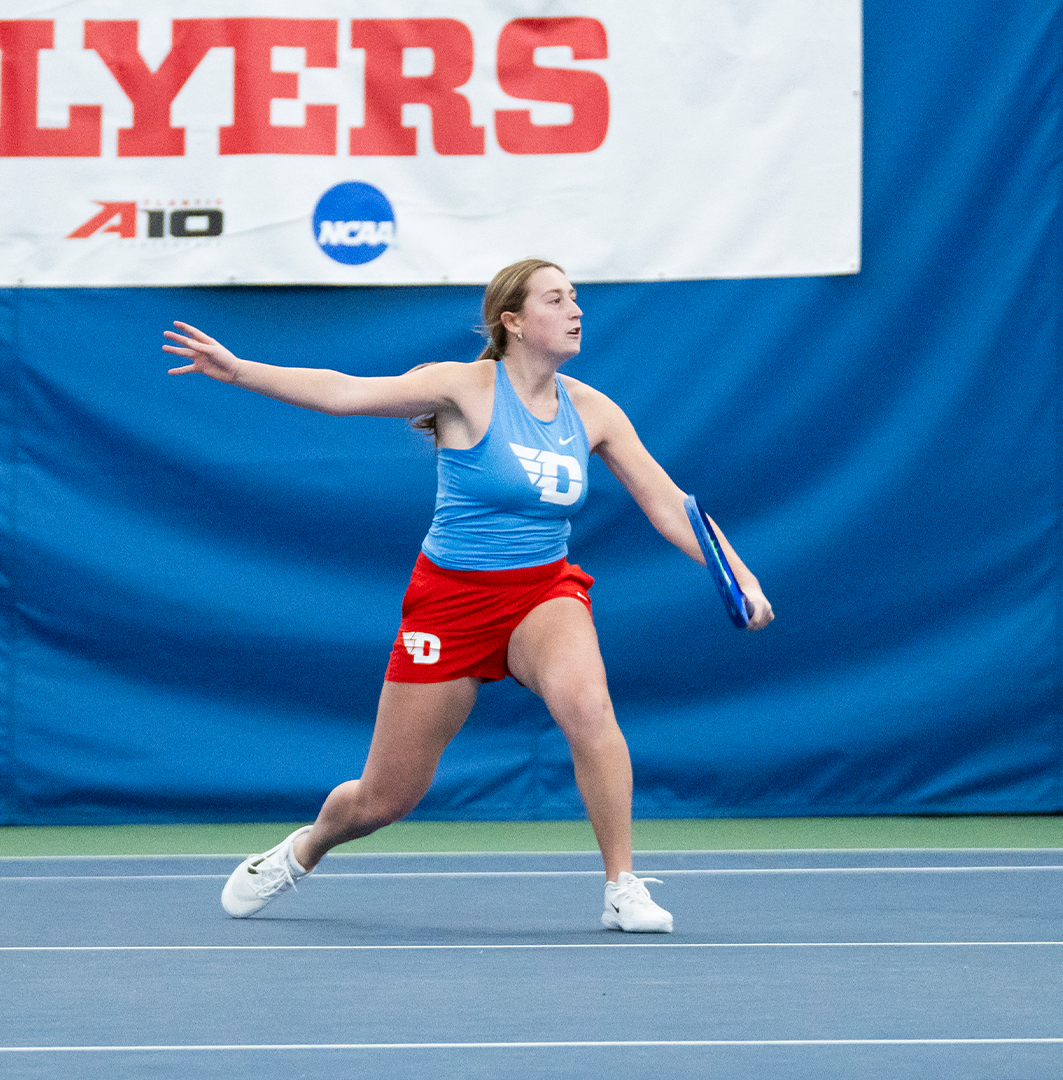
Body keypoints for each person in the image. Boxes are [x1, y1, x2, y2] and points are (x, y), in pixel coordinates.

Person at [162, 258, 774, 933]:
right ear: (514, 321)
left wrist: (738, 575)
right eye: (555, 299)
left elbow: (668, 502)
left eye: (575, 297)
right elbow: (345, 392)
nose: (575, 310)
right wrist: (240, 370)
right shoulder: (462, 388)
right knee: (383, 799)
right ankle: (303, 850)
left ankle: (621, 886)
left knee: (588, 706)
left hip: (542, 592)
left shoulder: (594, 410)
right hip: (449, 603)